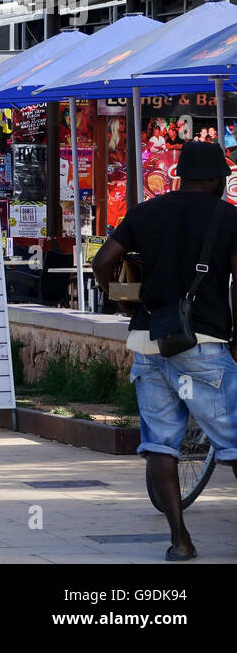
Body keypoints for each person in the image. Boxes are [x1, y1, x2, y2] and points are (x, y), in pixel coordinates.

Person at [92, 141, 237, 562]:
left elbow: (103, 263)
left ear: (181, 174)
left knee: (160, 445)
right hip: (204, 344)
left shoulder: (143, 212)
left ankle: (180, 541)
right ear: (216, 179)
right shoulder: (228, 218)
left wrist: (120, 298)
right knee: (232, 442)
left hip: (148, 342)